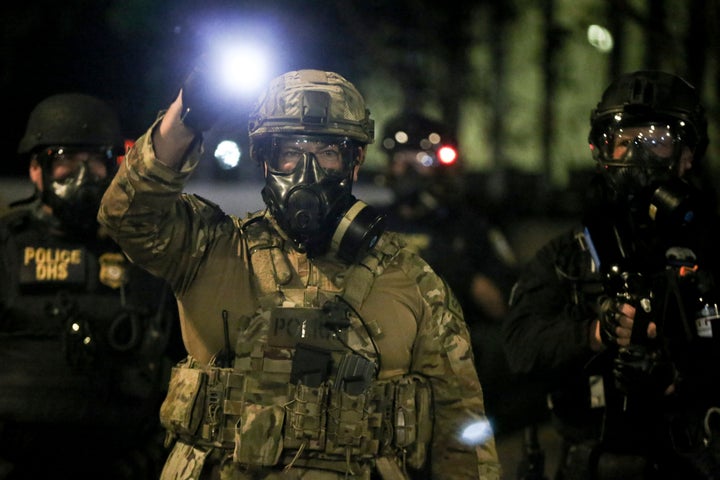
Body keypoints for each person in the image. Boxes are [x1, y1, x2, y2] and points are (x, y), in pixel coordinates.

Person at [97, 67, 502, 480]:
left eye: (327, 153)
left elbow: (462, 433)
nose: (306, 172)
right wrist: (182, 122)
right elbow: (126, 216)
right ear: (264, 160)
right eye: (289, 151)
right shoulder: (208, 250)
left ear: (354, 162)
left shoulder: (411, 279)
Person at [503, 70, 720, 479]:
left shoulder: (710, 248)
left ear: (688, 155)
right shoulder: (570, 253)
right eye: (625, 140)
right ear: (601, 150)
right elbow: (518, 348)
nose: (637, 155)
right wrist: (597, 332)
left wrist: (679, 379)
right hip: (590, 464)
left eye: (657, 141)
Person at [0, 93, 182, 480]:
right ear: (37, 168)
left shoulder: (142, 250)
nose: (83, 176)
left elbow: (183, 365)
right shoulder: (6, 247)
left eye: (96, 161)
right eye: (65, 160)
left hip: (122, 466)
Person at [378, 111, 539, 435]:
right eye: (401, 159)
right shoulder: (372, 223)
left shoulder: (470, 227)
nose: (409, 169)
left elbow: (504, 310)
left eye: (421, 159)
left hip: (451, 354)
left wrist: (458, 269)